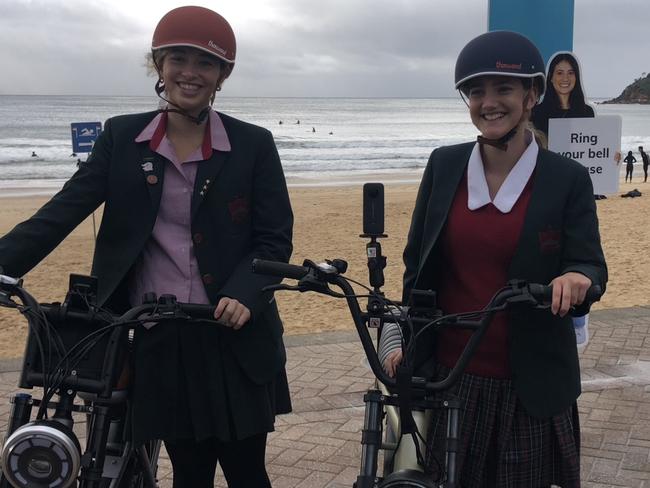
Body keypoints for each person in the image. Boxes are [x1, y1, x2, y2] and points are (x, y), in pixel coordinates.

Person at [0, 6, 293, 488]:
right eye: (178, 58)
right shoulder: (121, 137)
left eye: (205, 63)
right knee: (188, 473)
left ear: (223, 75)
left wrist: (246, 291)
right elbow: (64, 210)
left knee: (246, 471)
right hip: (156, 334)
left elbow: (273, 238)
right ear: (158, 65)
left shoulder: (253, 144)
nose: (190, 73)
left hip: (233, 335)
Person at [382, 31, 607, 487]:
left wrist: (577, 279)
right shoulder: (443, 165)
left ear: (532, 96)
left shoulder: (567, 179)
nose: (488, 102)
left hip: (530, 387)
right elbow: (416, 267)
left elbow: (591, 266)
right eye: (476, 91)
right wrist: (405, 336)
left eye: (503, 89)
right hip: (448, 379)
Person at [532, 51, 595, 137]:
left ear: (576, 77)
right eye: (559, 73)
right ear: (551, 77)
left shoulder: (587, 112)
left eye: (570, 73)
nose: (565, 78)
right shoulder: (536, 112)